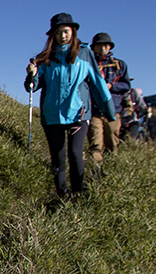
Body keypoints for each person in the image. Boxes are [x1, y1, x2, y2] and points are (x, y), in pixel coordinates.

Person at [26, 12, 114, 198]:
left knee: (75, 154)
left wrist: (109, 110)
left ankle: (77, 192)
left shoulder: (85, 54)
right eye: (58, 33)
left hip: (78, 115)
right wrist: (31, 74)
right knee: (58, 158)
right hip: (52, 115)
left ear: (73, 32)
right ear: (53, 36)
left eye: (65, 31)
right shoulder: (45, 58)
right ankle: (61, 195)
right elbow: (32, 87)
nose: (62, 36)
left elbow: (97, 82)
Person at [87, 33, 132, 171]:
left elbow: (126, 86)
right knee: (96, 144)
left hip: (113, 111)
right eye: (100, 45)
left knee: (112, 143)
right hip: (93, 110)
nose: (103, 48)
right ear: (94, 47)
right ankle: (96, 172)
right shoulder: (88, 64)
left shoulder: (119, 65)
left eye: (106, 45)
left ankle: (111, 171)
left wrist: (111, 86)